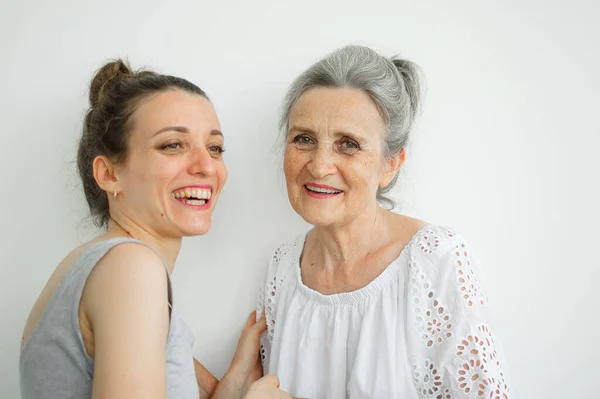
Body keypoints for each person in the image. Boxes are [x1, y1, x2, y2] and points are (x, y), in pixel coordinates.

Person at [19, 59, 292, 399]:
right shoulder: (130, 269)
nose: (206, 166)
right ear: (108, 174)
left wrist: (234, 382)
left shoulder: (96, 266)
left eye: (215, 148)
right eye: (172, 145)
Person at [256, 45, 513, 398]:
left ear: (391, 164)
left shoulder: (436, 260)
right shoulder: (282, 269)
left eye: (348, 144)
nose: (318, 165)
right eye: (304, 139)